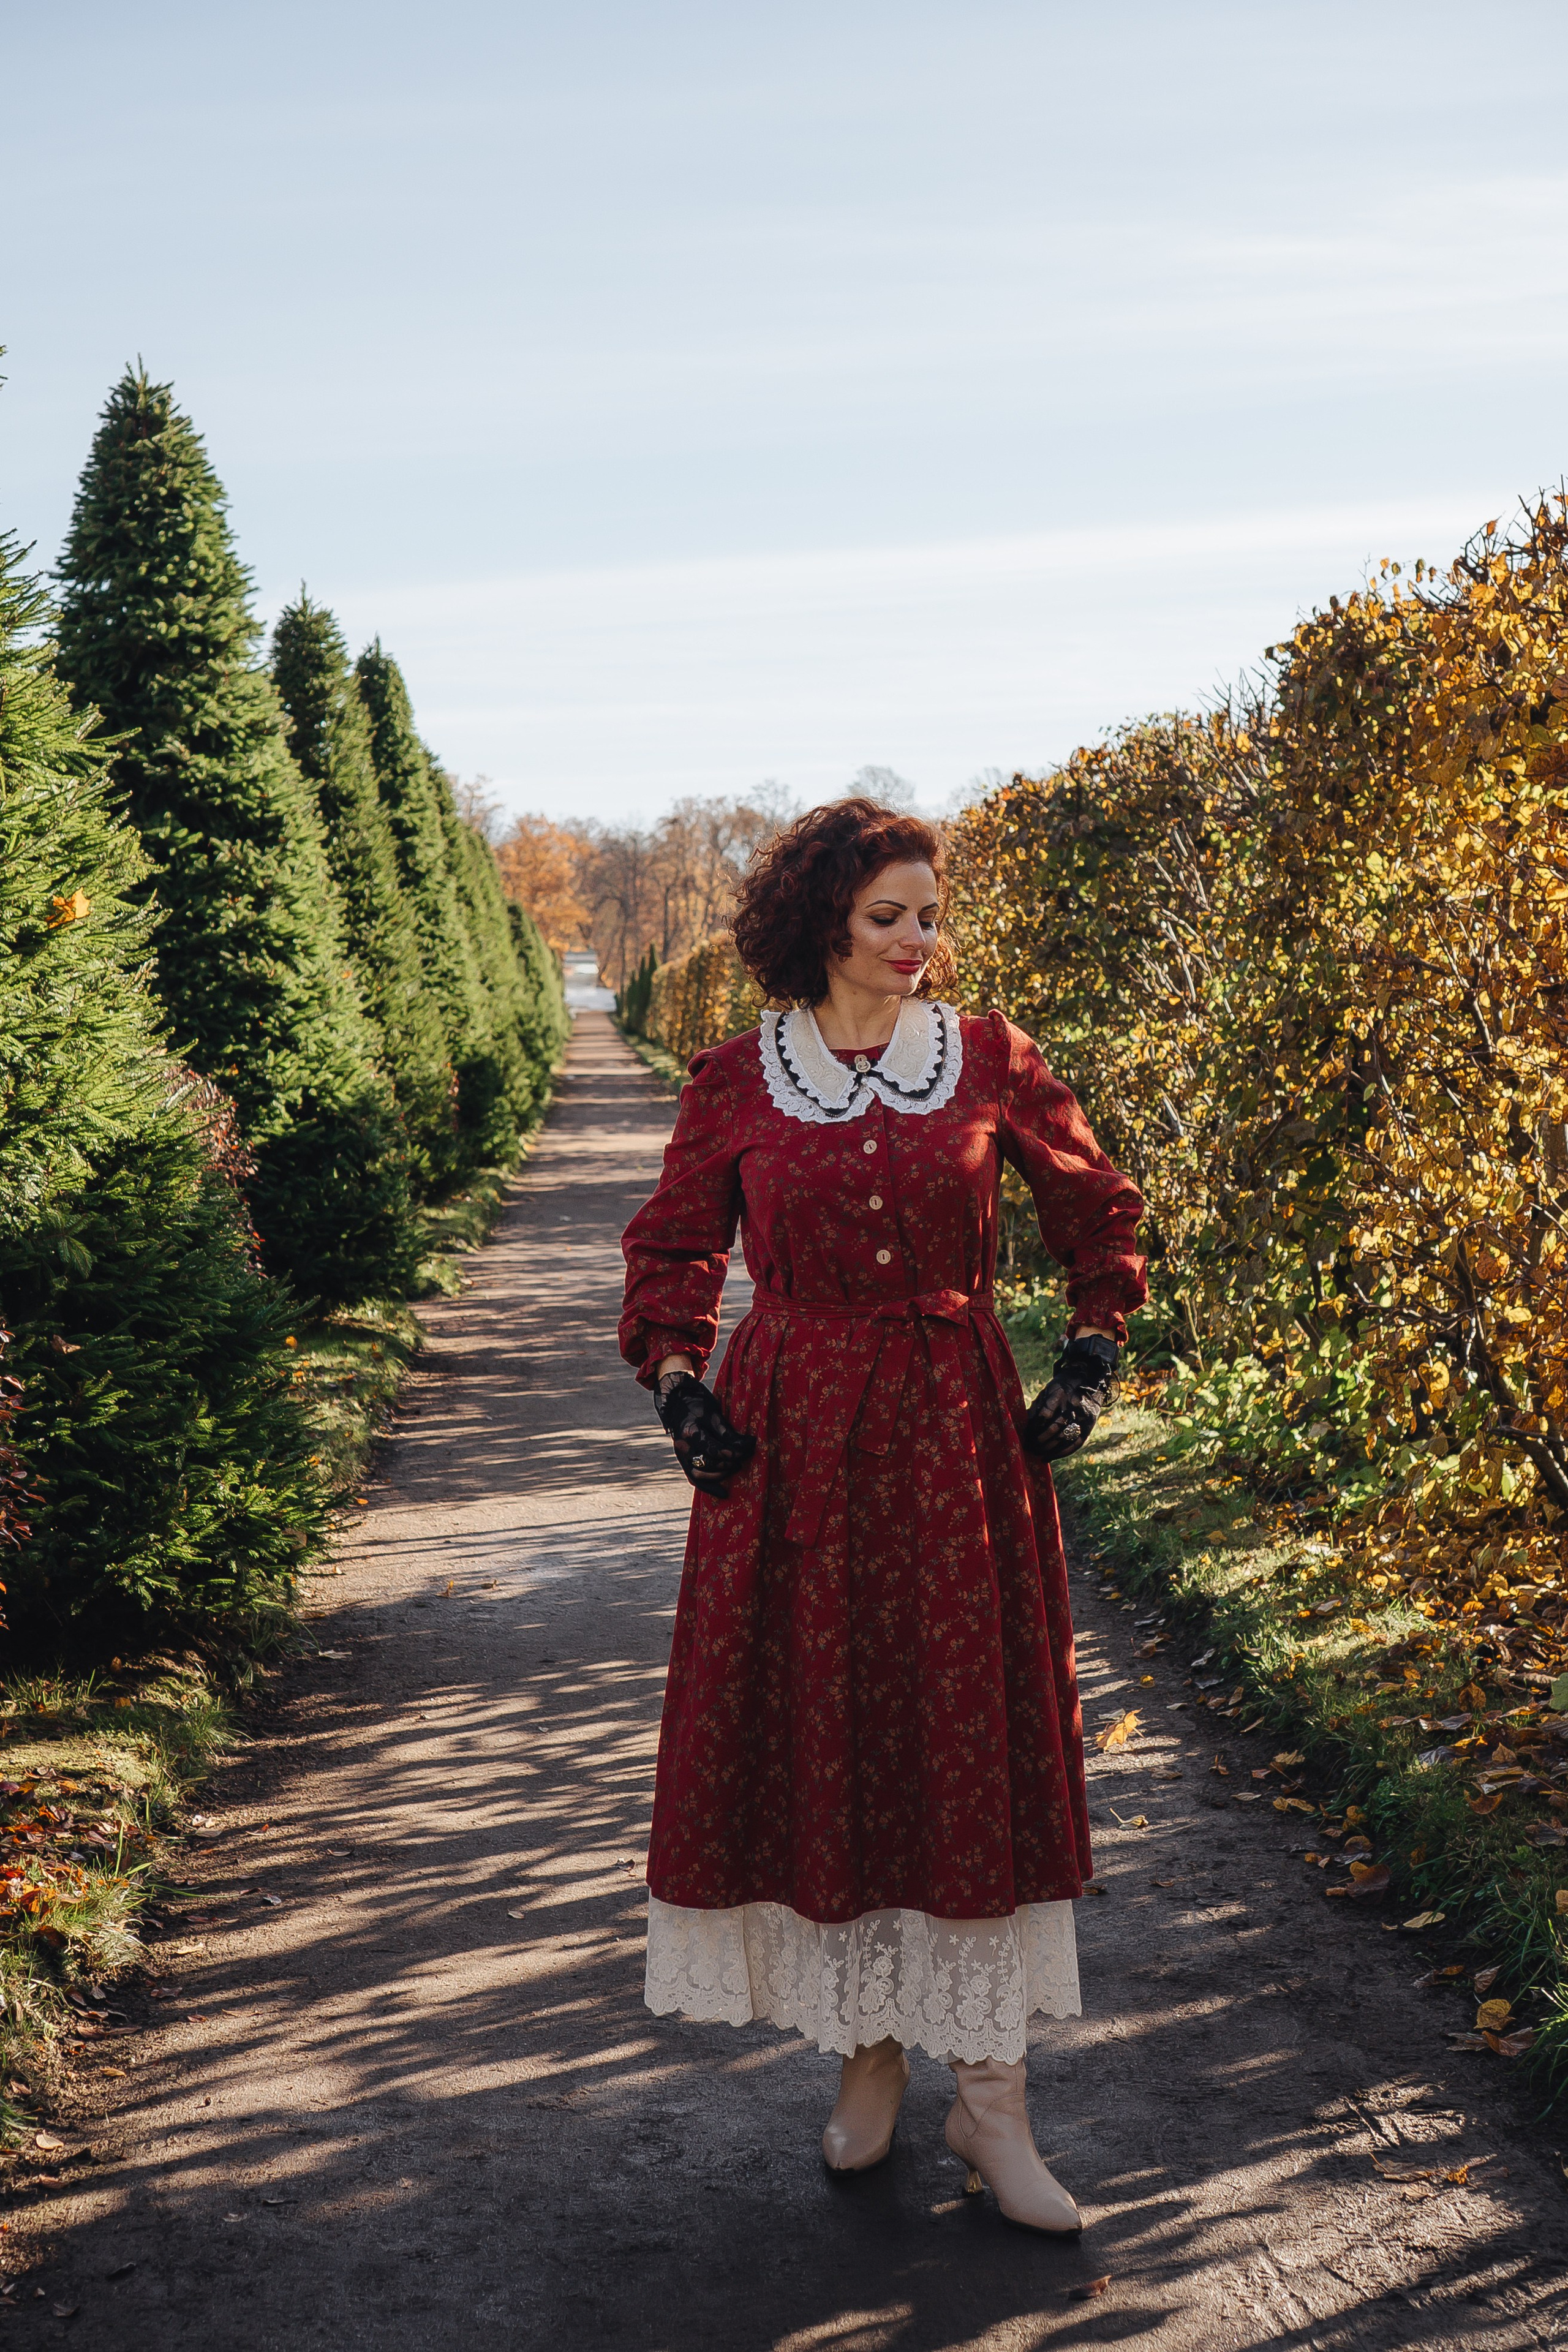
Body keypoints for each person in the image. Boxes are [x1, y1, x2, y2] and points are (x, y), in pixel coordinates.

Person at [618, 797, 1145, 2233]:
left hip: (951, 1431)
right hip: (786, 1444)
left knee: (959, 1730)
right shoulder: (739, 1075)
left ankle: (995, 2107)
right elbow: (671, 1243)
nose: (919, 940)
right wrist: (678, 1385)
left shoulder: (986, 1059)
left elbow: (1096, 1206)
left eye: (928, 914)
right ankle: (866, 2055)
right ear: (822, 927)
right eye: (887, 916)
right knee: (830, 1731)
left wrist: (1089, 1354)